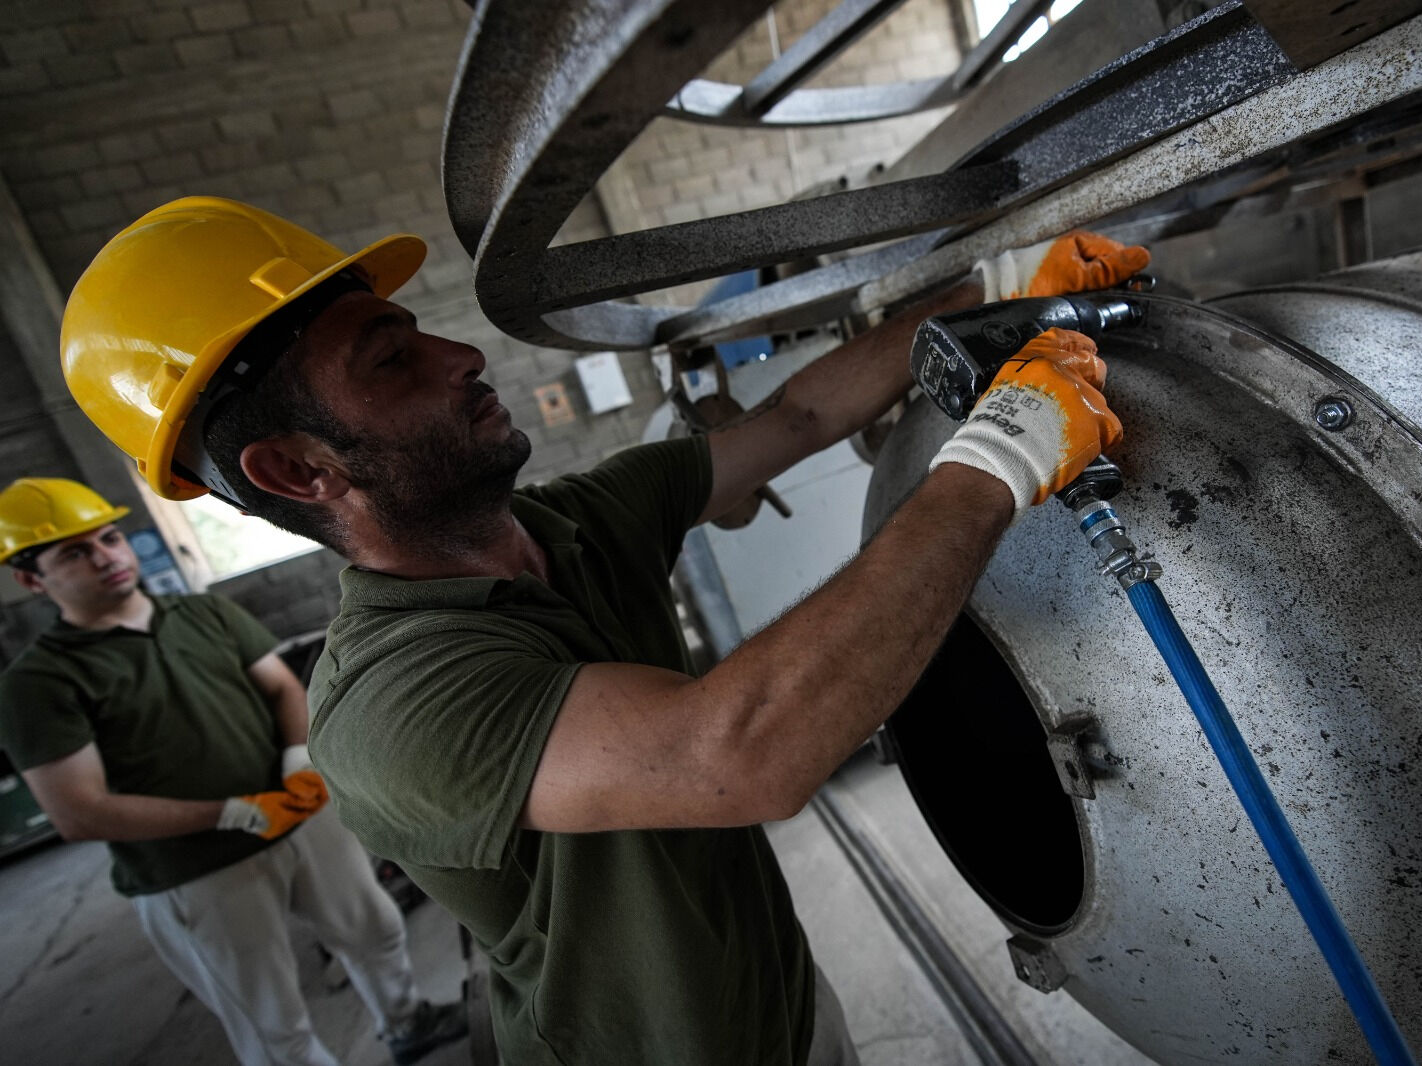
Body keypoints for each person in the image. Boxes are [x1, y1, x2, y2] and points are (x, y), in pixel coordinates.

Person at [59, 196, 1147, 1065]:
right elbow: (739, 752)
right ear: (299, 469)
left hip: (771, 998)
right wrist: (995, 460)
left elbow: (796, 420)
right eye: (391, 361)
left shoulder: (569, 524)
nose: (459, 355)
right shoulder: (390, 700)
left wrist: (994, 304)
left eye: (417, 329)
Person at [0, 476, 468, 1066]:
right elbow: (80, 810)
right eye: (75, 552)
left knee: (375, 931)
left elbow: (280, 687)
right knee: (270, 1015)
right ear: (29, 579)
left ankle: (409, 1025)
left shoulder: (202, 614)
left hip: (298, 814)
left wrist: (298, 763)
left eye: (111, 538)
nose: (107, 557)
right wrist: (232, 812)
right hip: (197, 865)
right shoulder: (39, 683)